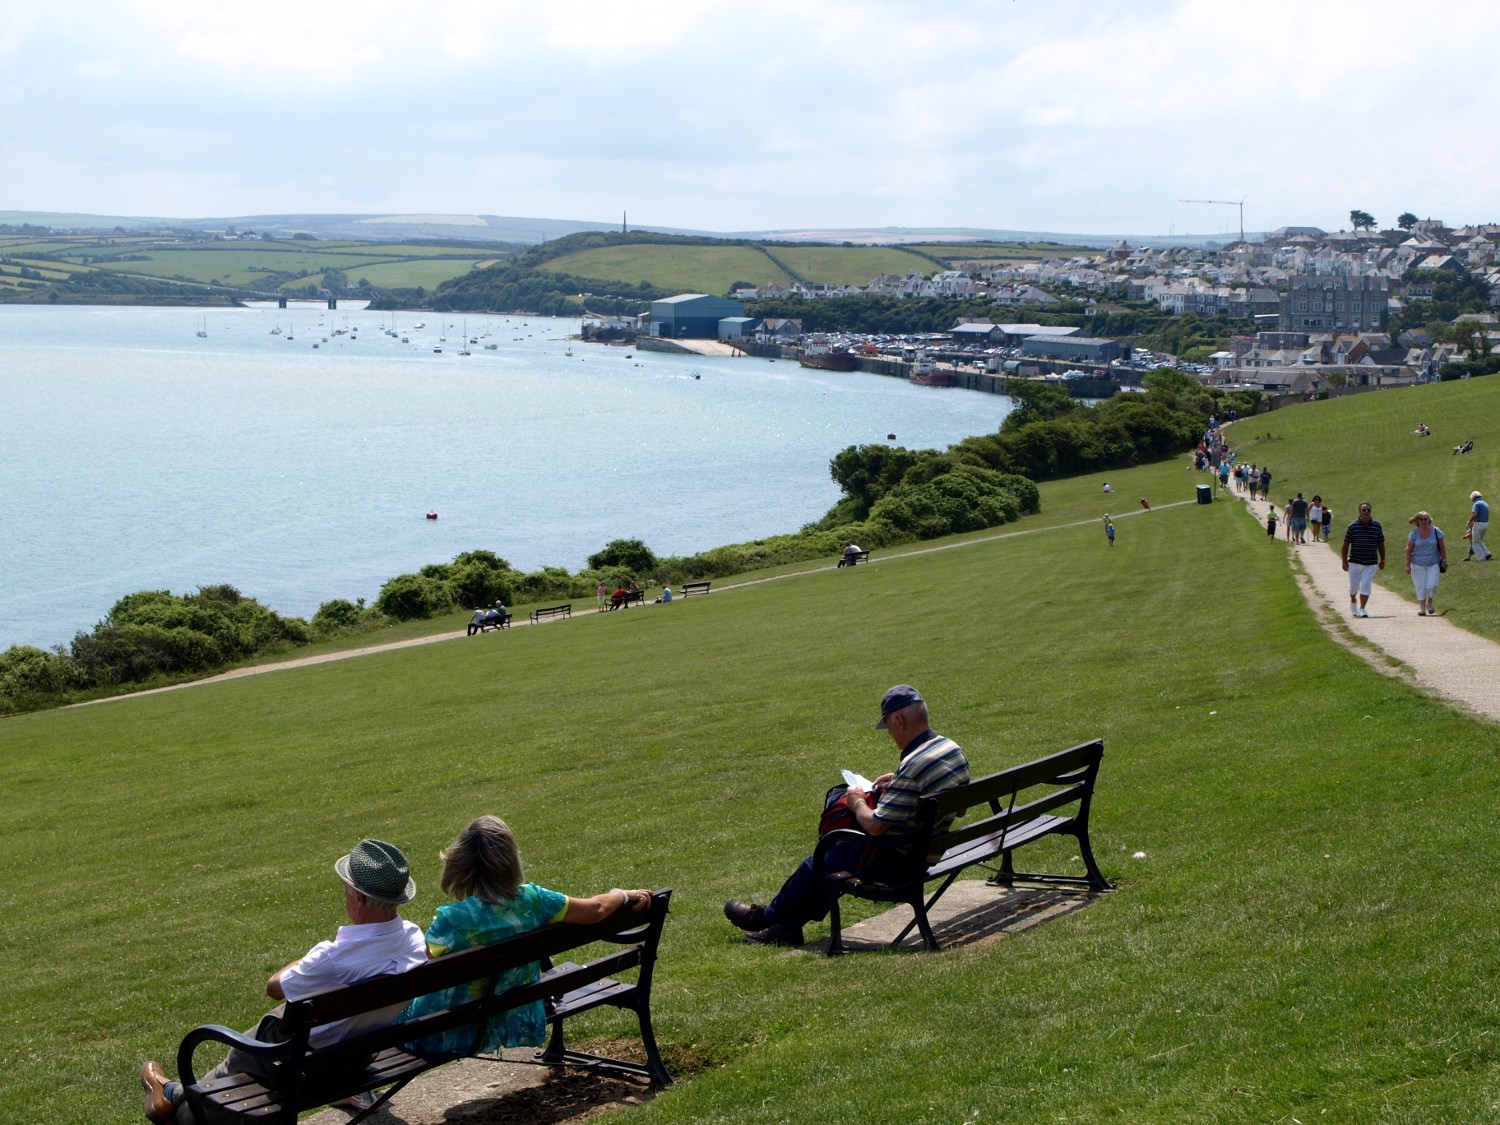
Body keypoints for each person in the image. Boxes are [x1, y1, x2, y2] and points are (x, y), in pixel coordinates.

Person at [140, 839, 426, 1124]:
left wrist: (309, 958)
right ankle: (170, 1091)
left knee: (232, 1069)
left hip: (299, 1063)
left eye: (346, 891)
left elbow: (275, 986)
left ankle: (171, 1095)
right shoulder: (414, 940)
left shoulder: (332, 958)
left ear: (359, 898)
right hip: (354, 1059)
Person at [723, 685, 970, 947]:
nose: (889, 734)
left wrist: (857, 802)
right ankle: (787, 927)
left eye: (888, 725)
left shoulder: (913, 764)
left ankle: (764, 918)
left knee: (821, 861)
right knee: (836, 855)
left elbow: (875, 826)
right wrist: (898, 782)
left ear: (899, 719)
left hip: (900, 862)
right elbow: (961, 808)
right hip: (927, 850)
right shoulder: (950, 749)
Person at [397, 816, 651, 1056]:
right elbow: (596, 910)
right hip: (515, 1017)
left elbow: (423, 972)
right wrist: (622, 894)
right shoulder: (535, 901)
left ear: (460, 863)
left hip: (447, 1031)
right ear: (511, 859)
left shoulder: (453, 920)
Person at [1340, 501, 1386, 617]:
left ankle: (1362, 609)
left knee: (1365, 585)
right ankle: (1353, 600)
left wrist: (1382, 560)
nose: (1366, 512)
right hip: (1355, 561)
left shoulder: (1377, 526)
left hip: (1371, 562)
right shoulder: (1353, 526)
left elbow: (1380, 544)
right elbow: (1345, 544)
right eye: (1364, 510)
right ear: (1360, 512)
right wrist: (1344, 561)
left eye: (1368, 510)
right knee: (1353, 588)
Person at [1405, 511, 1447, 616]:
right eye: (1421, 519)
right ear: (1417, 521)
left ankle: (1429, 602)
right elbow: (1409, 549)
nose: (1423, 521)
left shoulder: (1436, 531)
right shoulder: (1414, 533)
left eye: (1425, 519)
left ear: (1429, 520)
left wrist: (1444, 560)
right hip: (1417, 564)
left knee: (1433, 585)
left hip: (1433, 563)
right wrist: (1408, 565)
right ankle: (1422, 608)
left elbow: (1442, 547)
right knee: (1420, 586)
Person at [1466, 490, 1491, 561]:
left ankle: (1481, 558)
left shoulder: (1476, 504)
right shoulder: (1485, 503)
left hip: (1479, 524)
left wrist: (1469, 522)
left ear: (1474, 498)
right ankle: (1487, 553)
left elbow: (1474, 514)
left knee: (1475, 542)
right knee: (1479, 540)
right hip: (1486, 523)